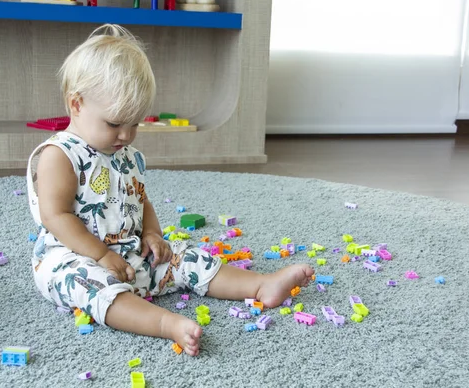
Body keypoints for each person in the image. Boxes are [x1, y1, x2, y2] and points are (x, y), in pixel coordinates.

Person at [26, 24, 313, 356]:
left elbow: (139, 198)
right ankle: (165, 324)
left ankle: (261, 284)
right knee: (91, 286)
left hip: (129, 252)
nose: (126, 135)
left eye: (134, 123)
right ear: (76, 104)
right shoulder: (60, 154)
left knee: (184, 256)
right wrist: (101, 255)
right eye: (115, 123)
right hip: (74, 258)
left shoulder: (127, 155)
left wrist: (152, 234)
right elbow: (56, 215)